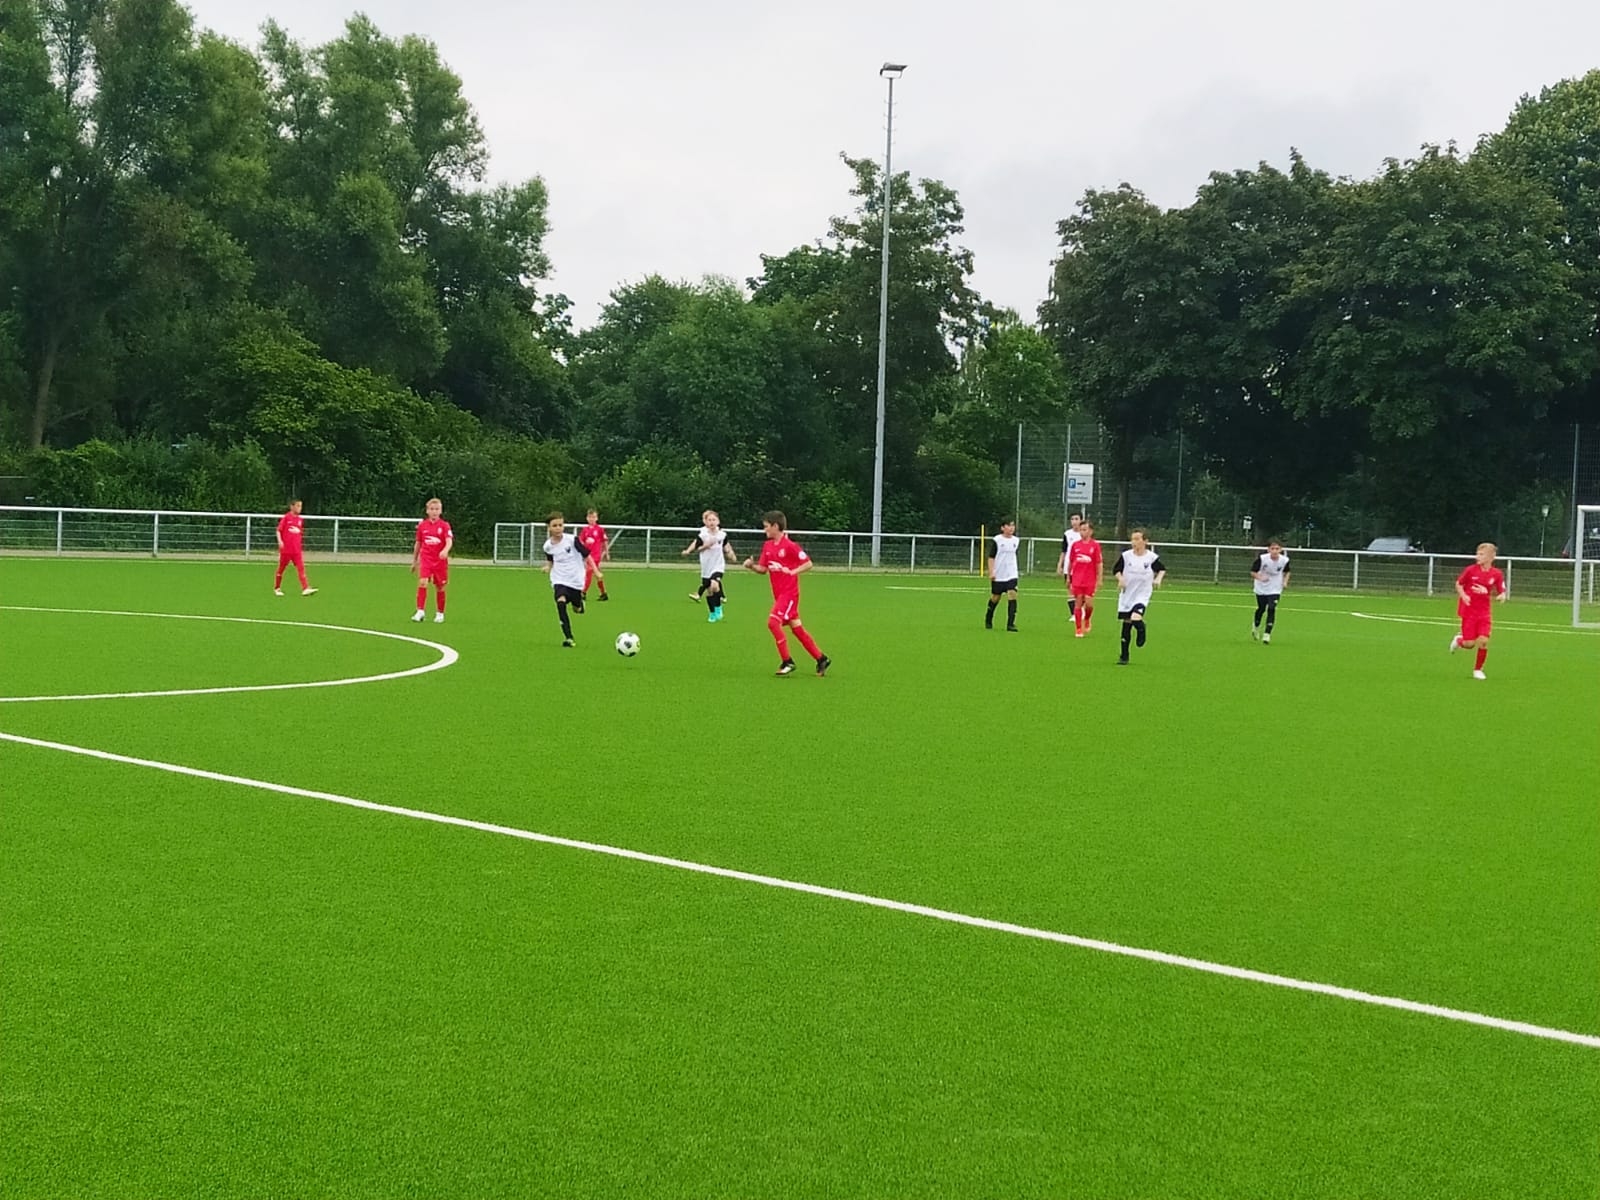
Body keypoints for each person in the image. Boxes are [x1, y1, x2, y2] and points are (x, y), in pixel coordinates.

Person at [743, 510, 830, 677]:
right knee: (797, 628)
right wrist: (751, 566)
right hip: (779, 595)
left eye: (766, 526)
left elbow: (808, 563)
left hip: (789, 594)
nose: (764, 530)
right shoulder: (767, 546)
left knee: (772, 623)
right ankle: (821, 658)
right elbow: (763, 569)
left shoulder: (790, 546)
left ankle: (787, 661)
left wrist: (792, 571)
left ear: (776, 526)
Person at [1450, 542, 1506, 680]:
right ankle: (1459, 640)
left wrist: (1502, 595)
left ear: (1491, 557)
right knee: (1469, 644)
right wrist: (1464, 596)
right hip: (1469, 612)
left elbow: (1502, 589)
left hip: (1484, 613)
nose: (1477, 557)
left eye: (1481, 554)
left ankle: (1478, 669)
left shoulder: (1496, 574)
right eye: (1477, 554)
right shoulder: (1470, 570)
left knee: (1483, 641)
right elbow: (1459, 584)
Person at [1112, 528, 1166, 665]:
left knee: (1135, 617)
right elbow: (1116, 570)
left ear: (1145, 541)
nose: (1134, 542)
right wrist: (1121, 579)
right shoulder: (1126, 556)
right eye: (1132, 539)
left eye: (1137, 539)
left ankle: (1141, 629)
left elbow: (1161, 569)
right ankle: (1124, 656)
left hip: (1142, 594)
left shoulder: (1151, 558)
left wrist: (1158, 579)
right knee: (1127, 624)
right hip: (1127, 594)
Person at [542, 512, 595, 647]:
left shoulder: (572, 540)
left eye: (560, 525)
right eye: (555, 525)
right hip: (559, 579)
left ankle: (579, 605)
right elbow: (550, 559)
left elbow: (586, 555)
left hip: (576, 580)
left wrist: (596, 571)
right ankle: (569, 637)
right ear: (549, 527)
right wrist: (548, 567)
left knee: (577, 609)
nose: (558, 528)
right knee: (560, 603)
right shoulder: (548, 546)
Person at [681, 510, 737, 623]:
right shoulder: (703, 535)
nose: (712, 522)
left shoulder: (722, 535)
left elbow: (727, 547)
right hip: (706, 566)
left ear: (718, 521)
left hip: (718, 565)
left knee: (714, 585)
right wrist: (690, 550)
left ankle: (719, 608)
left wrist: (732, 555)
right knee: (710, 591)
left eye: (714, 520)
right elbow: (697, 547)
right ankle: (712, 613)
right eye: (709, 520)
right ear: (706, 522)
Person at [411, 497, 452, 623]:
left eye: (437, 509)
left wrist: (445, 550)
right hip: (426, 559)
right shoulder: (422, 526)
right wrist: (414, 561)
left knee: (440, 587)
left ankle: (440, 613)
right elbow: (418, 543)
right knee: (423, 582)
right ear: (427, 511)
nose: (434, 511)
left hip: (439, 561)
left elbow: (449, 541)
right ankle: (420, 611)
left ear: (441, 511)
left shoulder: (444, 526)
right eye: (432, 509)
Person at [1065, 518, 1103, 637]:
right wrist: (1068, 577)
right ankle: (1078, 629)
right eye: (1081, 530)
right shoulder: (1075, 545)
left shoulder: (1095, 545)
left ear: (1091, 531)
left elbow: (1099, 563)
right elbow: (1071, 562)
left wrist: (1100, 578)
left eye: (1085, 530)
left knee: (1089, 604)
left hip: (1090, 579)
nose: (1082, 532)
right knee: (1078, 602)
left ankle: (1087, 619)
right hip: (1077, 579)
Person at [1249, 540, 1291, 644]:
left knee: (1272, 608)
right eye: (1272, 549)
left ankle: (1267, 634)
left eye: (1277, 549)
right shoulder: (1262, 559)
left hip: (1275, 588)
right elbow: (1253, 572)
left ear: (1280, 550)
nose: (1275, 551)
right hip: (1261, 587)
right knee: (1261, 608)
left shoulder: (1284, 560)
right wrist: (1260, 578)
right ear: (1268, 550)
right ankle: (1256, 626)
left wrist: (1285, 582)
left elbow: (1287, 571)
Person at [274, 499, 317, 596]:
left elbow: (299, 533)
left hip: (296, 550)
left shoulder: (300, 520)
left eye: (300, 506)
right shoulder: (286, 518)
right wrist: (280, 541)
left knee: (301, 568)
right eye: (298, 506)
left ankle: (305, 588)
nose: (299, 508)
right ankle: (277, 588)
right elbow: (278, 530)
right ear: (292, 507)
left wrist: (298, 535)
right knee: (281, 569)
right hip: (286, 550)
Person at [986, 519, 1021, 632]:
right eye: (1008, 525)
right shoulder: (997, 540)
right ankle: (989, 617)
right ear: (1002, 528)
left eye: (1013, 526)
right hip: (999, 574)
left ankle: (1010, 624)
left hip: (1011, 574)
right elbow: (991, 558)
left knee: (1012, 594)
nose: (1011, 528)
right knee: (995, 597)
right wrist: (991, 572)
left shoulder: (1016, 541)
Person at [1056, 513, 1085, 620]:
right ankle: (1074, 614)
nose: (1074, 521)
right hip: (1069, 566)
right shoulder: (1067, 534)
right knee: (1070, 589)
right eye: (1072, 519)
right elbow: (1064, 551)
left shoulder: (1084, 534)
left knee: (1080, 590)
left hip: (1081, 567)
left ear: (1081, 520)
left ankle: (1080, 610)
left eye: (1076, 519)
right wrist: (1060, 564)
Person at [578, 508, 610, 602]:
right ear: (587, 518)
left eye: (594, 517)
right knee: (597, 574)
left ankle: (583, 593)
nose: (592, 519)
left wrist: (607, 553)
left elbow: (605, 541)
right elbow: (581, 541)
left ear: (597, 518)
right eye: (590, 517)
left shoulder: (600, 529)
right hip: (587, 556)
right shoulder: (585, 530)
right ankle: (603, 593)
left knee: (588, 572)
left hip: (596, 555)